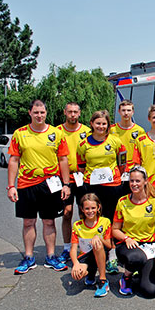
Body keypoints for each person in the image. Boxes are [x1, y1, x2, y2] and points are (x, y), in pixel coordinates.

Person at [7, 99, 70, 274]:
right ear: (30, 113)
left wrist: (66, 184)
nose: (39, 115)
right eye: (36, 112)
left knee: (49, 221)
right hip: (27, 184)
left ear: (46, 113)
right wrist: (11, 186)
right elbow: (13, 160)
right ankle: (29, 257)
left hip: (50, 185)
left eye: (42, 112)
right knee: (29, 222)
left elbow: (63, 160)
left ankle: (51, 256)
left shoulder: (56, 133)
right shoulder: (20, 134)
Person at [77, 110, 127, 274]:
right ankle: (91, 255)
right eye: (98, 123)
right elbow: (81, 165)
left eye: (104, 123)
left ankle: (111, 256)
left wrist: (112, 175)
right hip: (92, 187)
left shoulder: (115, 141)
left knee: (112, 221)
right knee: (94, 219)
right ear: (91, 124)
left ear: (108, 125)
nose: (101, 126)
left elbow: (122, 163)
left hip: (112, 186)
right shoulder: (83, 144)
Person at [111, 166, 155, 298]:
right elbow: (115, 230)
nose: (134, 184)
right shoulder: (122, 202)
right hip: (129, 245)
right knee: (136, 258)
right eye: (131, 181)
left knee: (151, 291)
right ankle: (126, 278)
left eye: (137, 181)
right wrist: (126, 238)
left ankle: (140, 272)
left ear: (145, 181)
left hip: (149, 246)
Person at [56, 101, 90, 263]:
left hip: (83, 178)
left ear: (80, 113)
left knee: (86, 213)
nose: (73, 115)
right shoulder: (57, 132)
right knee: (67, 213)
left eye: (75, 112)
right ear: (65, 112)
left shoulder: (87, 131)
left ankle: (85, 247)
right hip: (65, 179)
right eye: (70, 112)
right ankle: (67, 247)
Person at [70, 193, 113, 297]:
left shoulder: (105, 222)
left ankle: (103, 280)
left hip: (100, 253)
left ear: (98, 208)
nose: (90, 211)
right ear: (82, 209)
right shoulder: (77, 226)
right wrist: (76, 263)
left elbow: (109, 246)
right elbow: (73, 248)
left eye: (93, 208)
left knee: (97, 244)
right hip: (85, 256)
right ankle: (90, 274)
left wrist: (99, 238)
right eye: (87, 208)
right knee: (76, 275)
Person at [110, 100, 146, 195]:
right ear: (119, 111)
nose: (126, 113)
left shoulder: (139, 131)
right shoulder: (112, 129)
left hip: (132, 171)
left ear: (133, 112)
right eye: (123, 110)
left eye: (129, 110)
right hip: (116, 171)